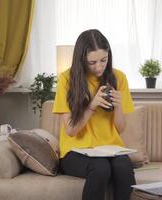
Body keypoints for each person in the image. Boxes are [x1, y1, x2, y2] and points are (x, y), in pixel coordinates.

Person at [53, 29, 136, 200]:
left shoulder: (119, 77)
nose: (99, 67)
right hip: (75, 152)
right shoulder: (67, 79)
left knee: (124, 166)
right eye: (92, 62)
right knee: (100, 168)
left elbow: (120, 129)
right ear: (81, 59)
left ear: (109, 56)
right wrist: (91, 106)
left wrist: (118, 106)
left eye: (103, 60)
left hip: (111, 149)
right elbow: (70, 131)